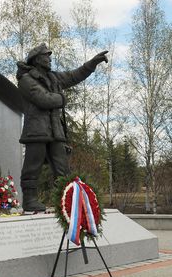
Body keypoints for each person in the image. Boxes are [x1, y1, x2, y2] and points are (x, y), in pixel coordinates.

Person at [16, 43, 108, 212]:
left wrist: (92, 64)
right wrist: (62, 98)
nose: (49, 59)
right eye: (46, 56)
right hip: (36, 131)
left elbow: (74, 76)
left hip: (55, 132)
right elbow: (43, 99)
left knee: (63, 168)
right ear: (36, 59)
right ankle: (29, 200)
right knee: (32, 167)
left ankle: (67, 201)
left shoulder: (53, 78)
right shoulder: (26, 80)